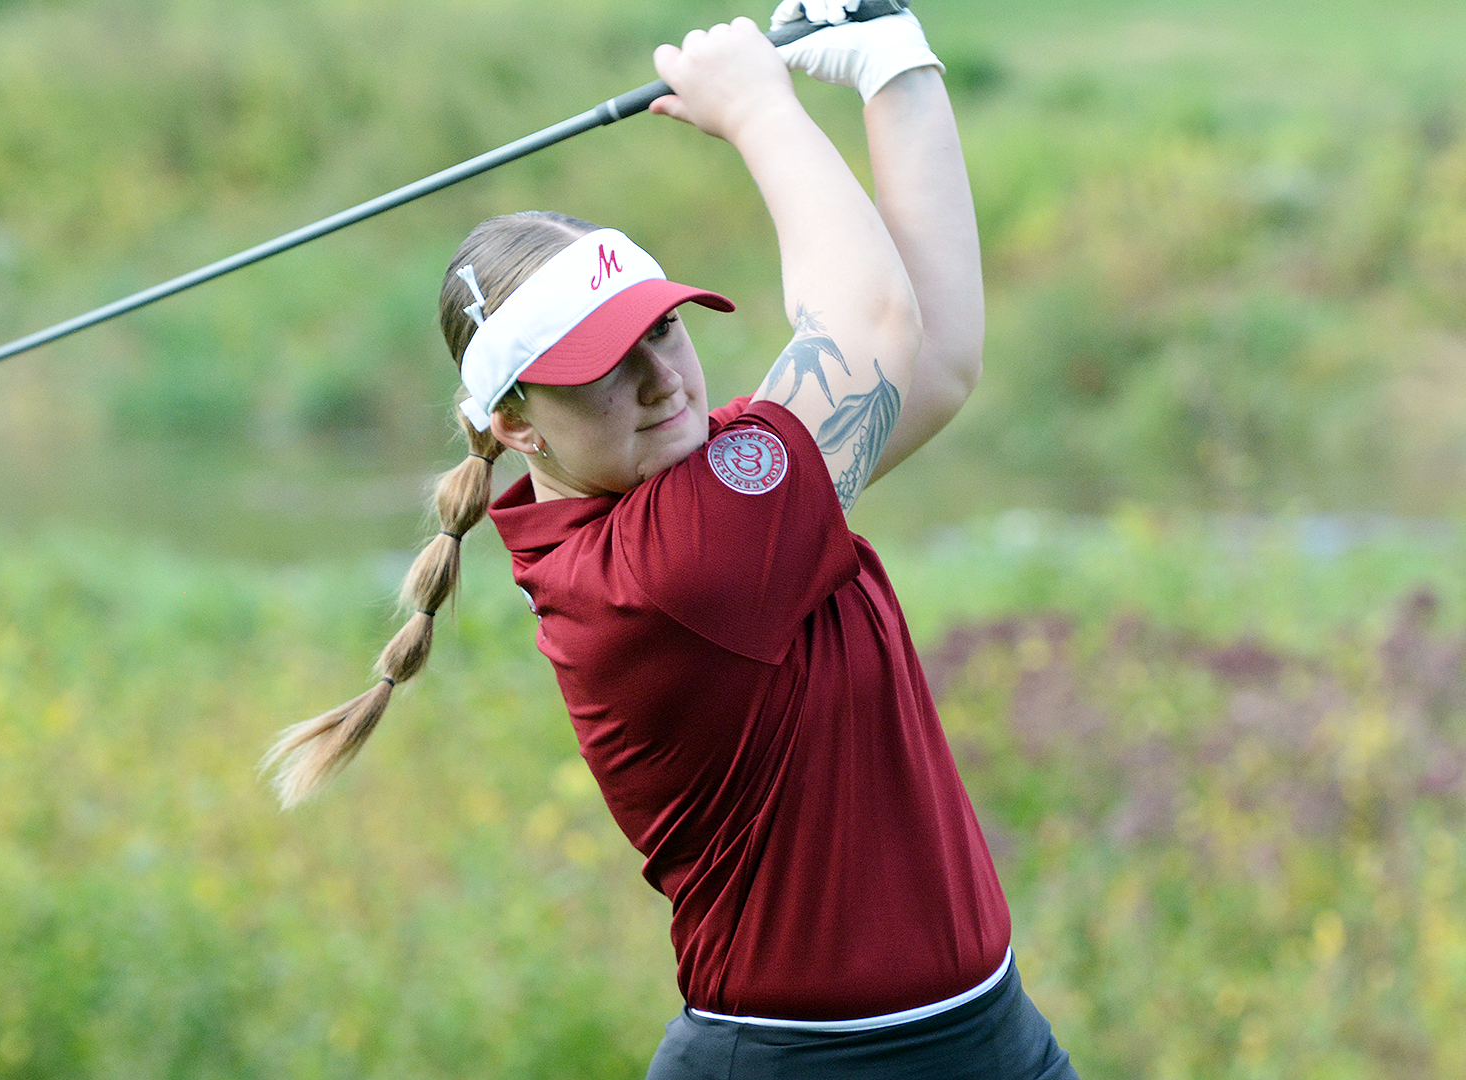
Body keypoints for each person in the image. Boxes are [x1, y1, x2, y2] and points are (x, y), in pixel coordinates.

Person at [266, 4, 1078, 1077]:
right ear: (513, 424)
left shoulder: (706, 490)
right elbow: (870, 329)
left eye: (663, 327)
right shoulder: (664, 571)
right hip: (806, 1064)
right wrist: (755, 110)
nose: (661, 378)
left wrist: (894, 63)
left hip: (985, 1034)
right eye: (604, 365)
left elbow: (932, 364)